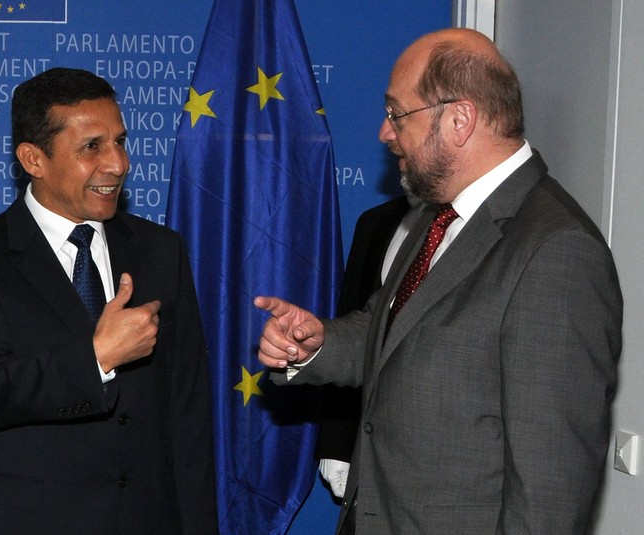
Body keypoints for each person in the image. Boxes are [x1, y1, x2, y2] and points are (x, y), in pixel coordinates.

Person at [255, 28, 622, 534]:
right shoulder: (440, 219)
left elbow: (548, 496)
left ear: (459, 119)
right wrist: (314, 344)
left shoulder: (556, 251)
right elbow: (389, 330)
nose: (385, 133)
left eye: (396, 113)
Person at [0, 68, 218, 535]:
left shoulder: (161, 251)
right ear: (33, 159)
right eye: (92, 147)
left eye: (120, 142)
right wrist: (96, 358)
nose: (118, 164)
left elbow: (187, 415)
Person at [315, 195, 415, 499]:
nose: (389, 143)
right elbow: (357, 326)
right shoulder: (375, 222)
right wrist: (337, 442)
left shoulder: (481, 227)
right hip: (369, 456)